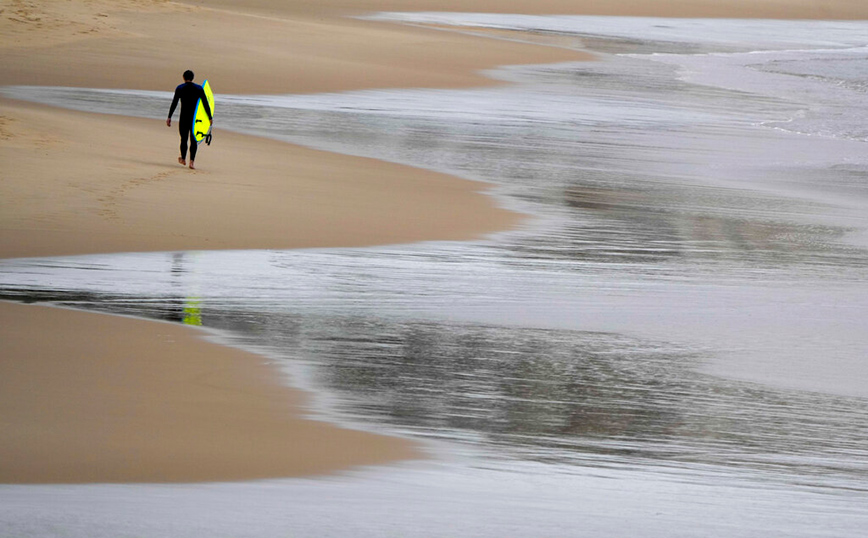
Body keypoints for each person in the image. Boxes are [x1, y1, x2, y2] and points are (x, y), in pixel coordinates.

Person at [166, 70, 212, 170]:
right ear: (193, 78)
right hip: (195, 119)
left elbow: (174, 103)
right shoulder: (199, 89)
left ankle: (183, 158)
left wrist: (169, 116)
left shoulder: (180, 88)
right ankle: (192, 162)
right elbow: (205, 104)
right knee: (194, 140)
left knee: (184, 138)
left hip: (184, 117)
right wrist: (210, 117)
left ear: (183, 77)